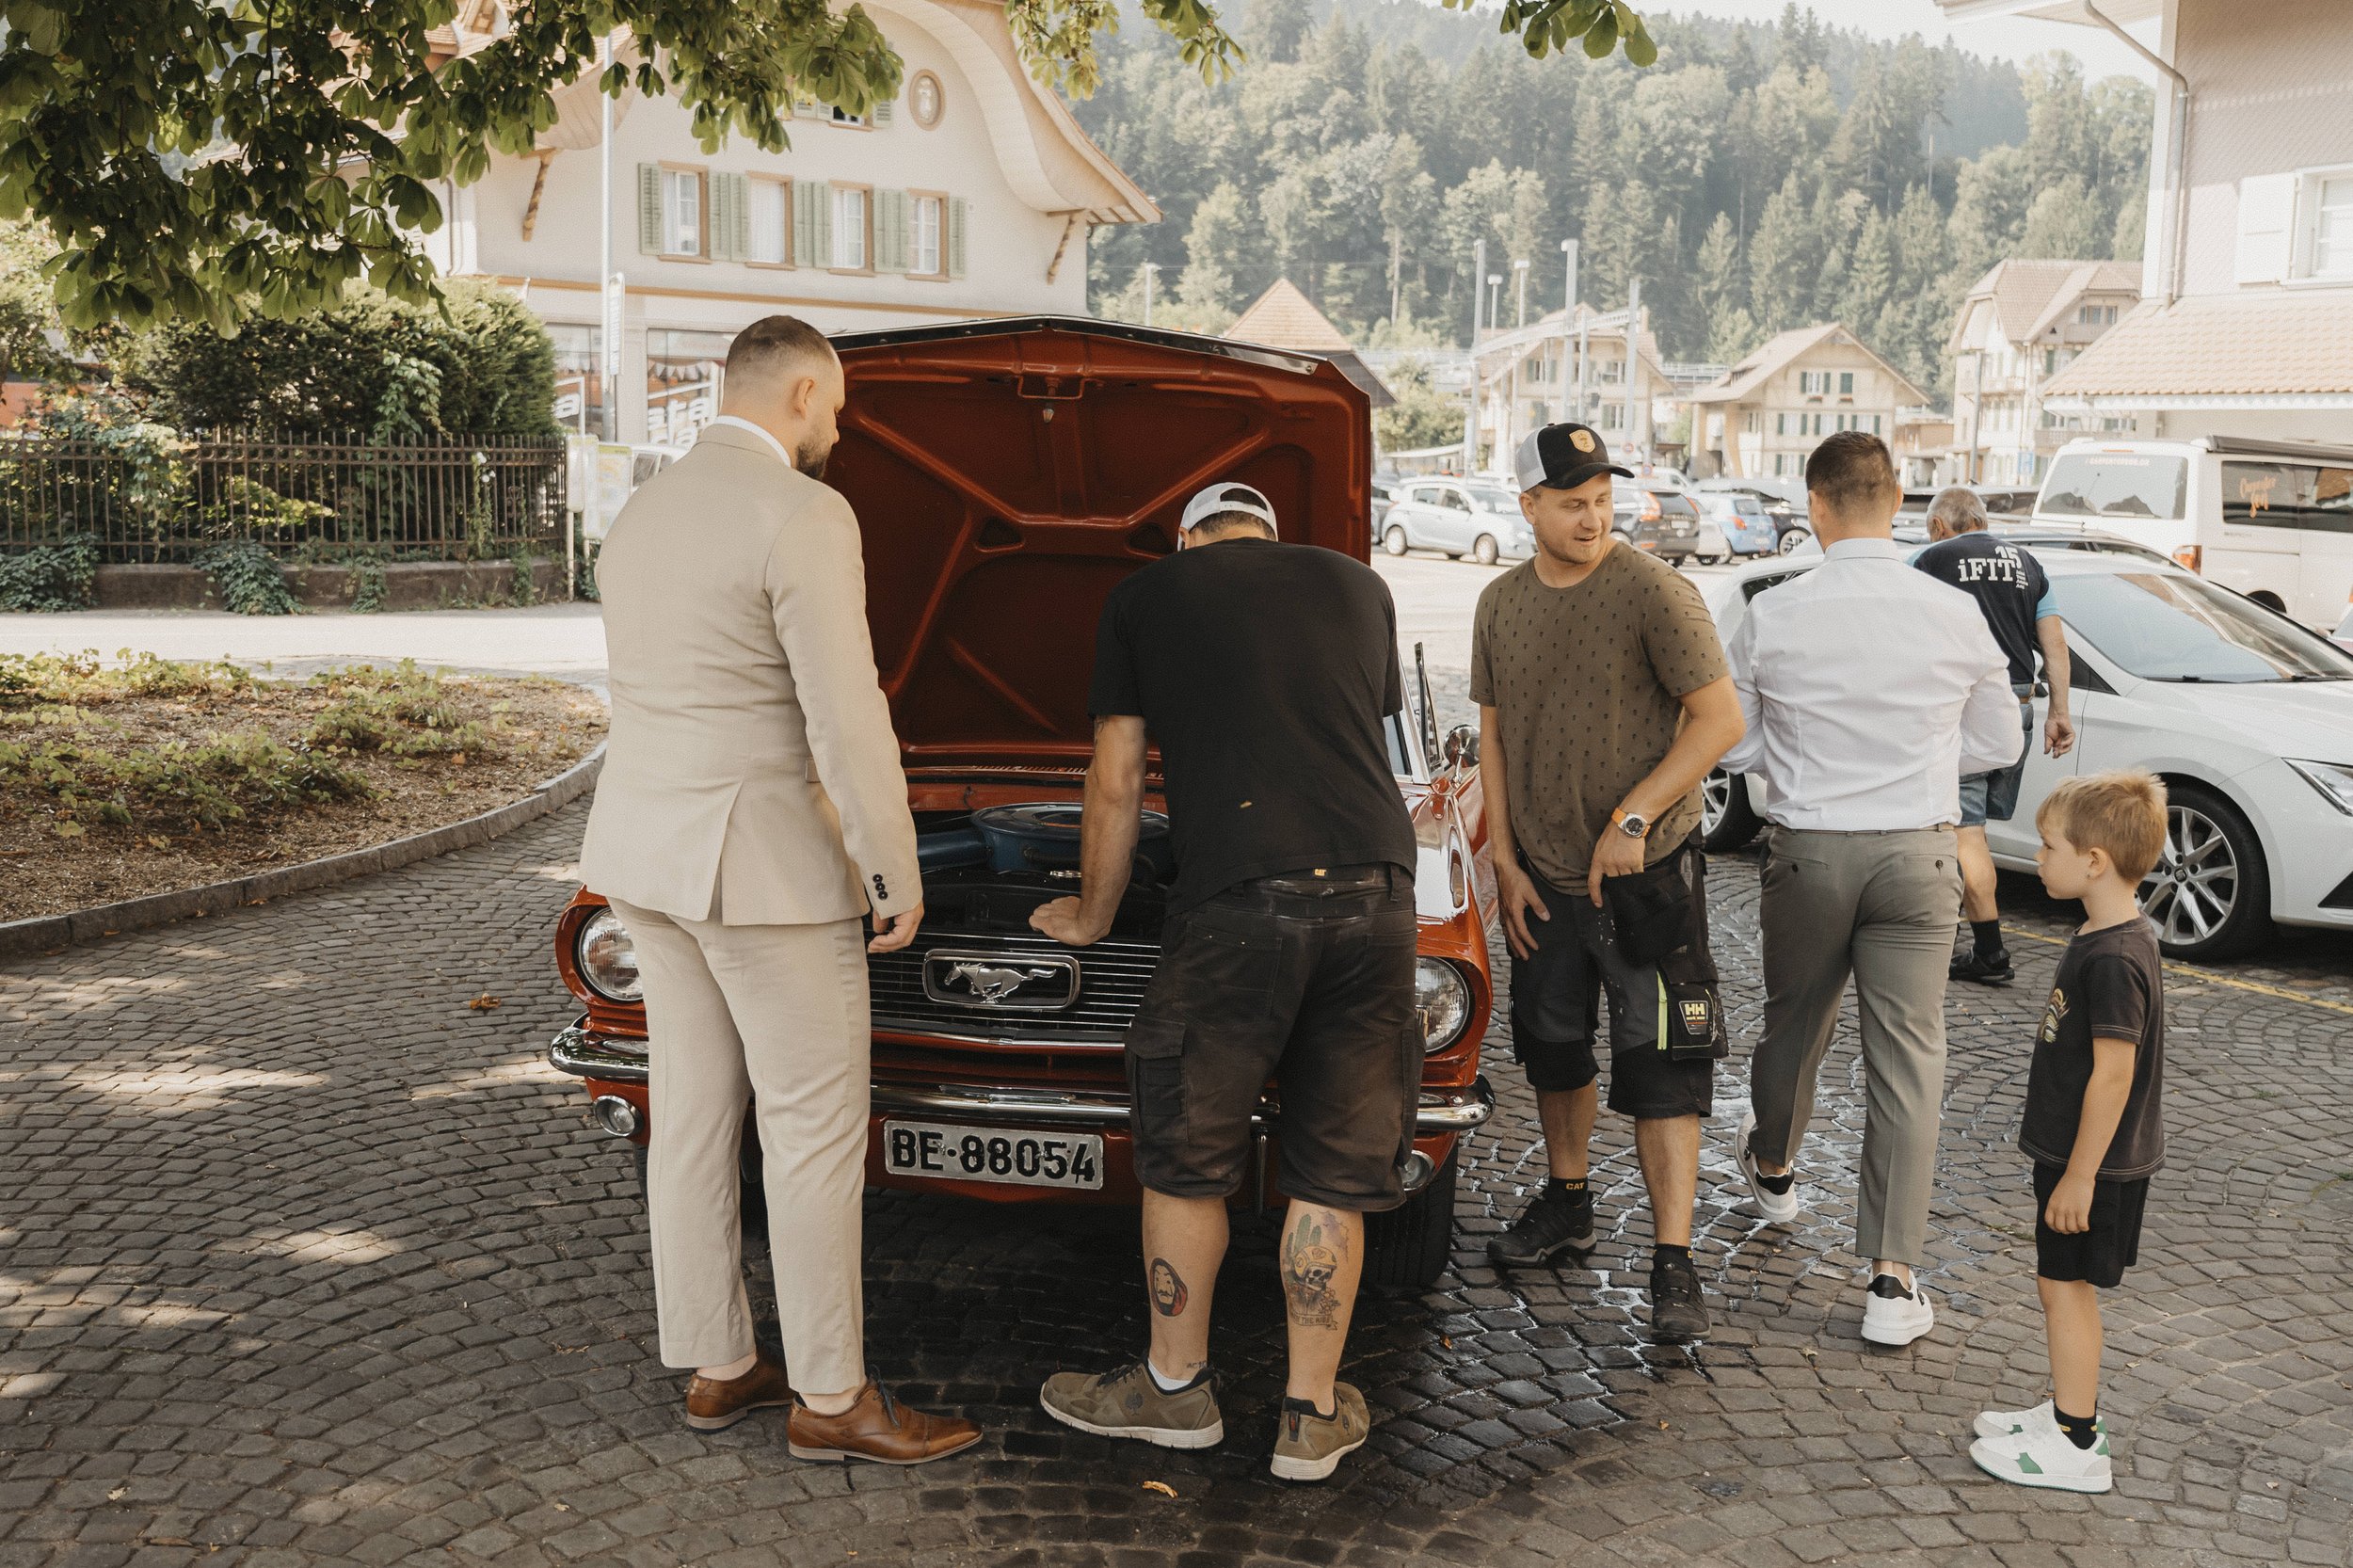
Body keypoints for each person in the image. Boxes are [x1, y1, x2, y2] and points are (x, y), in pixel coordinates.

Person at [578, 315, 980, 1465]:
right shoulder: (805, 513)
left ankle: (718, 1364)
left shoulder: (640, 510)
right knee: (811, 1132)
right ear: (802, 391)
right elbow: (844, 713)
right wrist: (889, 865)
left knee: (692, 1119)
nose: (841, 430)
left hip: (646, 859)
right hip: (763, 871)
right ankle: (832, 1394)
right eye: (841, 409)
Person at [1031, 480, 1418, 1483]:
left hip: (1240, 901)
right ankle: (1309, 1414)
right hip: (1377, 895)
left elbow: (1115, 779)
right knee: (1333, 1167)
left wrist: (1092, 914)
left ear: (1187, 538)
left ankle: (1173, 1393)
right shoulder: (1359, 585)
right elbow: (1350, 733)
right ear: (1272, 536)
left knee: (1188, 1156)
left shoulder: (1150, 593)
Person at [1723, 431, 2023, 1348]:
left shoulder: (1773, 611)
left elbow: (1734, 747)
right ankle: (1892, 1280)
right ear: (1896, 499)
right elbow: (1997, 742)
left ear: (1813, 504)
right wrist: (1918, 761)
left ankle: (1771, 1167)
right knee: (1908, 1061)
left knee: (1794, 1025)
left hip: (1812, 845)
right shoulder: (1950, 612)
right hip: (1918, 851)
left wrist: (1808, 765)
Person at [1472, 424, 1746, 1344]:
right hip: (1542, 881)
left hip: (1648, 881)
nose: (1594, 517)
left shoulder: (1654, 591)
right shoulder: (1499, 604)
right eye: (1572, 502)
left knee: (1664, 1067)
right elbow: (1495, 738)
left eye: (1601, 499)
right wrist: (1502, 859)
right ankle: (1568, 1196)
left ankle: (1674, 1261)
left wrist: (1632, 818)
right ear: (1529, 508)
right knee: (1552, 1046)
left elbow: (1718, 721)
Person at [1972, 771, 2169, 1495]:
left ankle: (2079, 1440)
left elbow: (2113, 1075)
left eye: (2051, 846)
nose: (2040, 855)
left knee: (2066, 1288)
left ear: (2094, 861)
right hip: (2076, 1156)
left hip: (2094, 1165)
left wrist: (2082, 1175)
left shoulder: (2115, 956)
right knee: (2059, 1284)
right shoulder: (2104, 931)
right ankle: (2064, 1412)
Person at [1913, 488, 2076, 985]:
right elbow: (2054, 644)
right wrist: (2060, 713)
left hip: (1966, 708)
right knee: (1974, 828)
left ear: (1941, 526)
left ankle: (1989, 951)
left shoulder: (1932, 558)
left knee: (1966, 832)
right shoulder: (2028, 564)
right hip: (2020, 706)